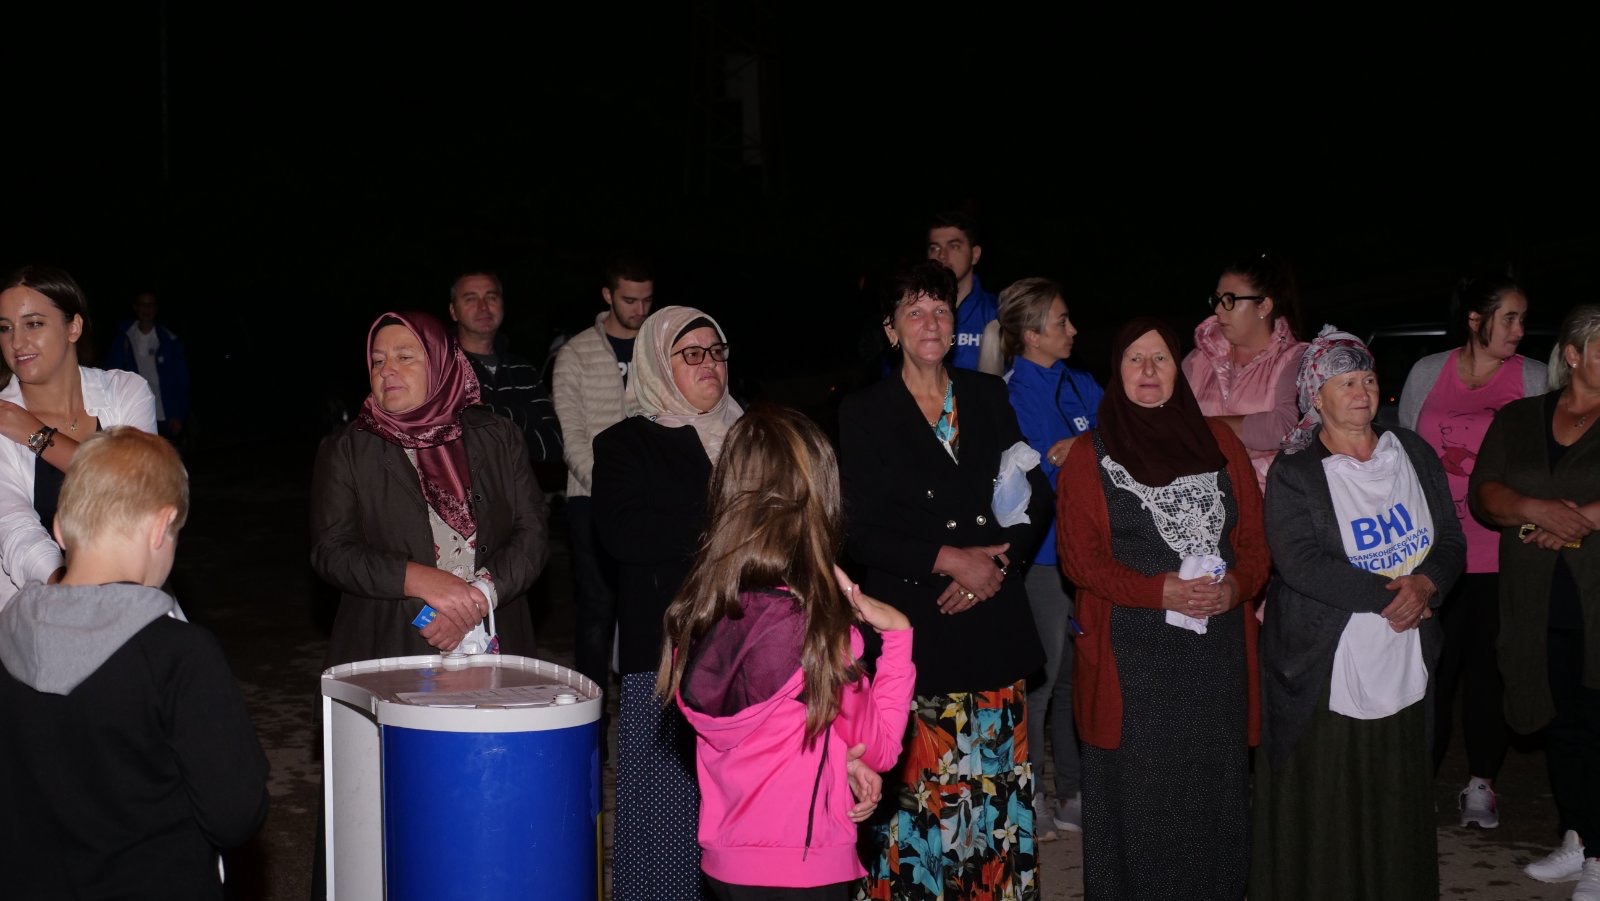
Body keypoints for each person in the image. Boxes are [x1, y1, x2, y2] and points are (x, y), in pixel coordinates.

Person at [840, 260, 1051, 898]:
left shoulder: (986, 396)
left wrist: (997, 565)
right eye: (914, 311)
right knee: (923, 813)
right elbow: (857, 530)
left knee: (994, 804)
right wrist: (949, 558)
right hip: (917, 637)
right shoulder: (865, 412)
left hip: (991, 628)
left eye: (940, 310)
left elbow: (1034, 496)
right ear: (891, 330)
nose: (930, 323)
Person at [658, 404, 916, 900]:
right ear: (817, 499)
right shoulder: (818, 633)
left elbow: (766, 729)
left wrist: (836, 760)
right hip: (805, 866)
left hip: (727, 865)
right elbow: (881, 746)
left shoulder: (697, 615)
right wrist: (898, 634)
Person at [0, 426, 269, 899]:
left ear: (59, 528)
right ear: (162, 526)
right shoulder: (178, 655)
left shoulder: (7, 637)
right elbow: (234, 815)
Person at [1251, 326, 1465, 900]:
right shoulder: (1296, 473)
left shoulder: (1411, 453)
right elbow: (1300, 562)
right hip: (1325, 661)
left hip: (1404, 649)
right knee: (1331, 793)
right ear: (1316, 397)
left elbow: (1450, 538)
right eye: (1345, 382)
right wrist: (1396, 597)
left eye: (1367, 378)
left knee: (1395, 784)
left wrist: (1427, 584)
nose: (1362, 392)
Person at [1057, 316, 1268, 900]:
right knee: (1143, 805)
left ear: (1179, 370)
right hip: (1133, 661)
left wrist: (1237, 587)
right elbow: (1081, 560)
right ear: (1116, 370)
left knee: (1214, 799)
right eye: (1135, 359)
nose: (1148, 371)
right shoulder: (1089, 455)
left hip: (1215, 658)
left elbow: (1255, 543)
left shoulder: (1221, 444)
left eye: (1161, 359)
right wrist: (1159, 591)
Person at [593, 305, 743, 900]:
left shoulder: (752, 436)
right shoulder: (625, 444)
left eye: (717, 351)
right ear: (658, 363)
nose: (710, 364)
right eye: (692, 354)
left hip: (755, 651)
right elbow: (626, 535)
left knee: (746, 818)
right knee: (666, 824)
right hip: (667, 656)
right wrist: (730, 523)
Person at [310, 311, 548, 668]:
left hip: (495, 633)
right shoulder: (348, 450)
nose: (387, 370)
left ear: (440, 363)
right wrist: (418, 580)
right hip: (390, 642)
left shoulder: (497, 437)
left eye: (405, 357)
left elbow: (533, 533)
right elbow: (332, 552)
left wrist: (476, 599)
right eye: (378, 360)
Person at [1398, 274, 1547, 828]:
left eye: (1523, 318)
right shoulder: (1427, 372)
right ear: (1475, 319)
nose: (1520, 329)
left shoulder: (1533, 378)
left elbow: (1547, 462)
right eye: (1509, 317)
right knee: (1429, 670)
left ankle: (1482, 783)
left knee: (1487, 670)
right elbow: (1404, 454)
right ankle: (1417, 781)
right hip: (1435, 554)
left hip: (1502, 555)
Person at [1470, 304, 1600, 896]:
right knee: (1560, 720)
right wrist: (1533, 509)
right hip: (1536, 598)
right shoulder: (1520, 418)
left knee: (1596, 720)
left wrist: (1580, 520)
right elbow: (1486, 493)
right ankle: (1576, 835)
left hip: (1594, 597)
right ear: (1572, 354)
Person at [994, 276, 1104, 838]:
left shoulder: (1081, 383)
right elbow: (1033, 477)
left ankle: (1073, 793)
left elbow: (1119, 438)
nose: (1073, 329)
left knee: (1075, 679)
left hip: (1090, 552)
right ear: (1032, 335)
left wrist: (1084, 446)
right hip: (1042, 557)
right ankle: (1031, 794)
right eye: (1061, 321)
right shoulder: (1011, 394)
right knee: (1041, 678)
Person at [0, 265, 157, 612]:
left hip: (132, 598)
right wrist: (70, 589)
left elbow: (142, 486)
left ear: (73, 327)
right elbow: (14, 528)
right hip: (38, 610)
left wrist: (35, 435)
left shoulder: (125, 392)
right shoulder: (1, 418)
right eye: (5, 328)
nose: (17, 342)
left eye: (33, 324)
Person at [554, 251, 654, 704]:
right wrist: (607, 487)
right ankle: (591, 719)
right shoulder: (575, 353)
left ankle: (644, 719)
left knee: (647, 611)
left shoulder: (660, 348)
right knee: (597, 608)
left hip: (651, 501)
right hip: (590, 499)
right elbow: (570, 433)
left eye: (647, 300)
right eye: (630, 300)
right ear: (607, 295)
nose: (639, 309)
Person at [1181, 250, 1306, 494]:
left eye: (1229, 300)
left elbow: (1285, 426)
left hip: (1269, 499)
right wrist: (1249, 439)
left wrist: (1204, 429)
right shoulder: (1198, 359)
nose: (1219, 309)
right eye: (1217, 299)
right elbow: (1171, 422)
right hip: (1202, 498)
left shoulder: (1294, 358)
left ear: (1264, 306)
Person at [447, 270, 564, 464]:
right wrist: (525, 417)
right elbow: (449, 450)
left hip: (522, 484)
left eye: (491, 297)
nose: (483, 307)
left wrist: (487, 414)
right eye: (470, 299)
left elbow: (553, 447)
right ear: (453, 311)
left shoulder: (523, 370)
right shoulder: (442, 369)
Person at [105, 290, 192, 442]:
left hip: (164, 416)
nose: (146, 309)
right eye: (142, 305)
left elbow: (182, 381)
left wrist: (178, 415)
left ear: (156, 309)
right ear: (135, 308)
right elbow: (112, 375)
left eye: (151, 305)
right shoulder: (124, 338)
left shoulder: (169, 340)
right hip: (135, 413)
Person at [926, 209, 1000, 372]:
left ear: (975, 255)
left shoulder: (998, 313)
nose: (942, 256)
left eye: (954, 246)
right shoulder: (911, 314)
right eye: (934, 248)